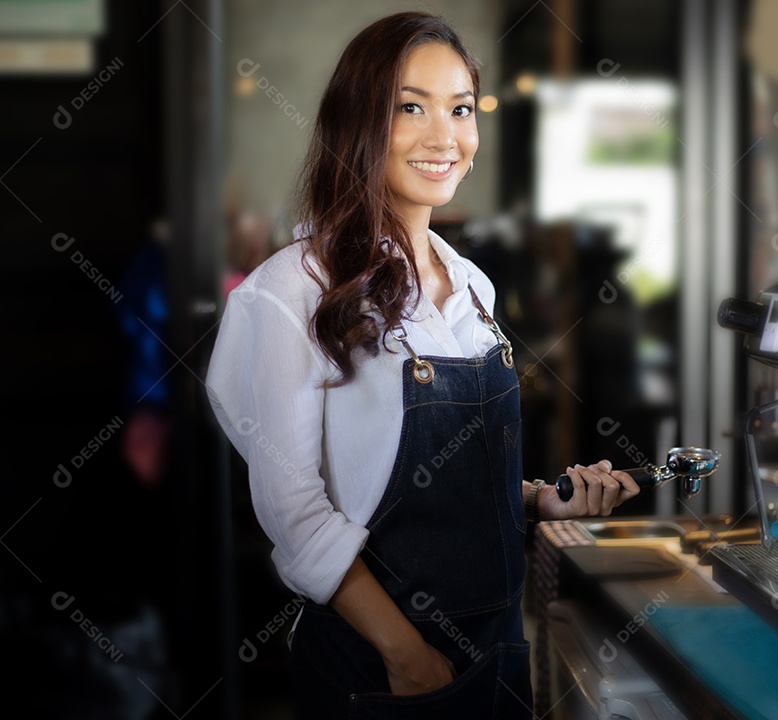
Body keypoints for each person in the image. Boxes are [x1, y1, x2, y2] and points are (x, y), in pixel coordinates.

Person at [205, 11, 640, 719]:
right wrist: (408, 658)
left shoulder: (473, 287)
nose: (445, 137)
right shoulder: (291, 292)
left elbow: (449, 483)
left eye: (460, 109)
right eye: (411, 107)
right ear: (357, 121)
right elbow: (294, 513)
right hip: (383, 671)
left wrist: (539, 501)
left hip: (500, 648)